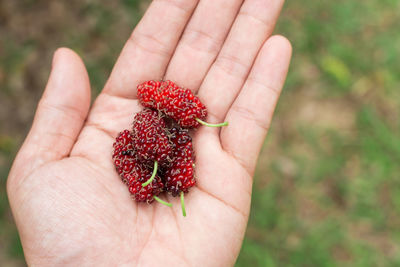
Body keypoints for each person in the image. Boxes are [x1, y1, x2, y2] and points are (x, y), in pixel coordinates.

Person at [7, 0, 291, 265]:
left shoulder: (171, 143)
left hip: (161, 150)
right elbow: (135, 148)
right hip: (152, 157)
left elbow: (169, 146)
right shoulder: (142, 148)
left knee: (171, 144)